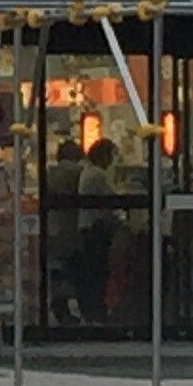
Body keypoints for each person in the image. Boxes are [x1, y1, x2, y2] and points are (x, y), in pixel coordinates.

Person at [76, 137, 119, 324]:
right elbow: (112, 200)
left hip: (87, 227)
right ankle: (98, 312)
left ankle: (93, 312)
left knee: (93, 271)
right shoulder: (98, 175)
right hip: (96, 229)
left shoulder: (88, 172)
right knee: (99, 271)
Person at [45, 139, 84, 325]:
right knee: (74, 269)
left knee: (57, 270)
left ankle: (59, 307)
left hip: (52, 226)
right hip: (71, 227)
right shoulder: (76, 172)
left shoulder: (50, 172)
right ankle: (75, 308)